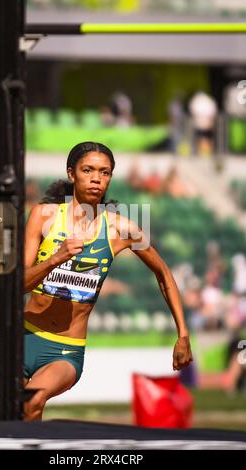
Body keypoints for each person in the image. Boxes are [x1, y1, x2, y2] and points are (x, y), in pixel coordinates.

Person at [23, 141, 193, 421]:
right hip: (24, 335)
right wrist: (55, 258)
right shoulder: (45, 216)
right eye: (87, 170)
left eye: (104, 172)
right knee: (9, 411)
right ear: (71, 174)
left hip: (64, 350)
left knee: (31, 402)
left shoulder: (121, 229)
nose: (96, 178)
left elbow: (164, 274)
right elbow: (17, 284)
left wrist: (183, 334)